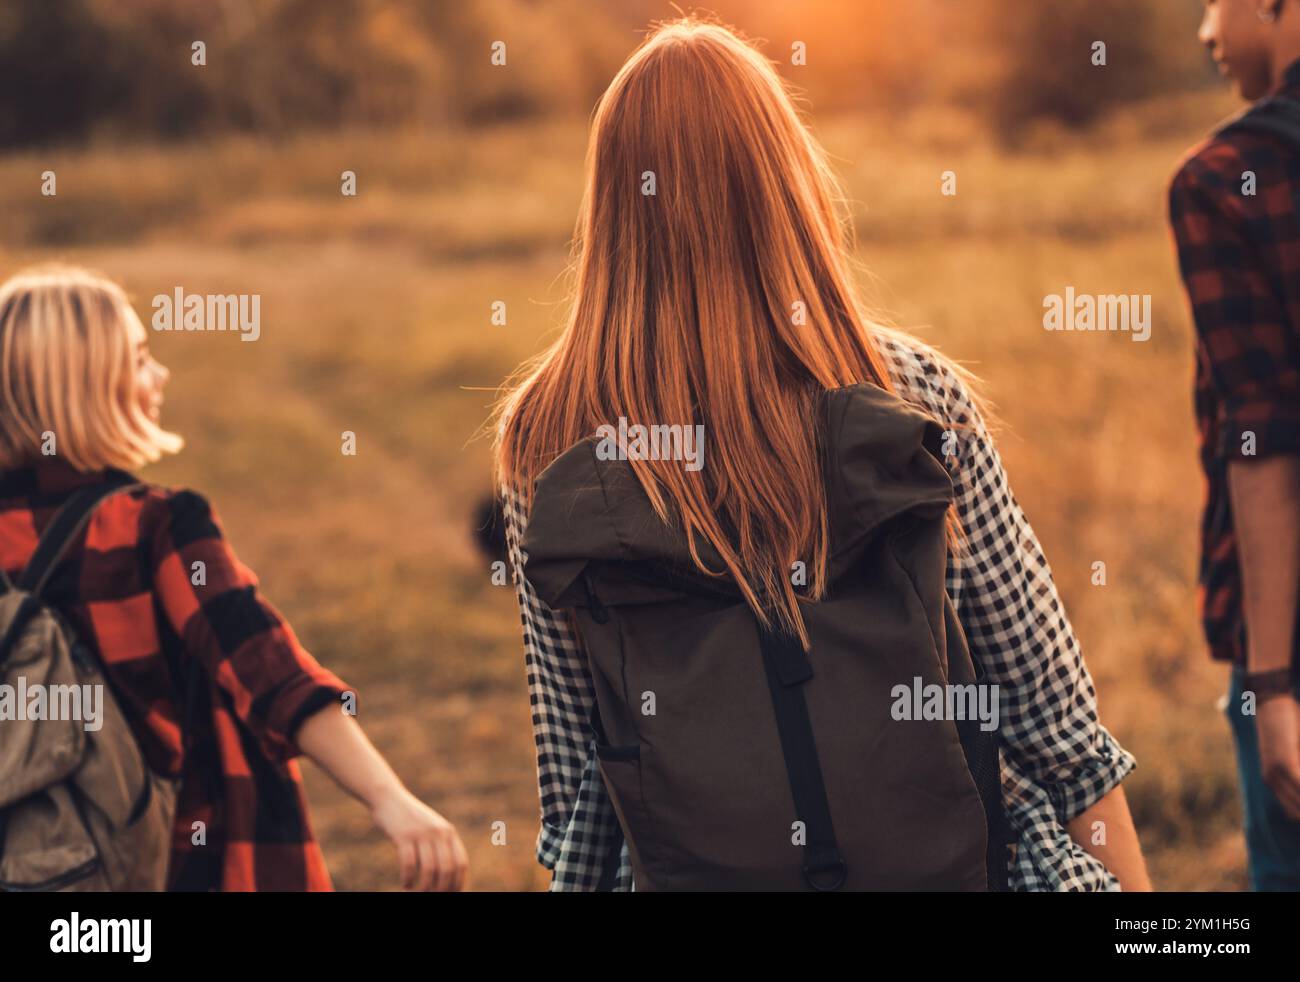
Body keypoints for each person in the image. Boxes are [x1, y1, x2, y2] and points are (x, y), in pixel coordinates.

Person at [493, 16, 1149, 891]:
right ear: (785, 182)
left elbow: (582, 792)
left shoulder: (546, 446)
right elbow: (1053, 726)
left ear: (611, 204)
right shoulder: (911, 395)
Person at [0, 264, 468, 891]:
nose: (159, 375)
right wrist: (389, 798)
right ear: (81, 384)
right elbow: (267, 667)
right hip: (173, 865)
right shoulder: (154, 526)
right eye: (139, 359)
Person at [1169, 0, 1300, 890]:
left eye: (1214, 3)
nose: (1207, 33)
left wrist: (1276, 683)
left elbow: (1264, 444)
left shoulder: (1226, 176)